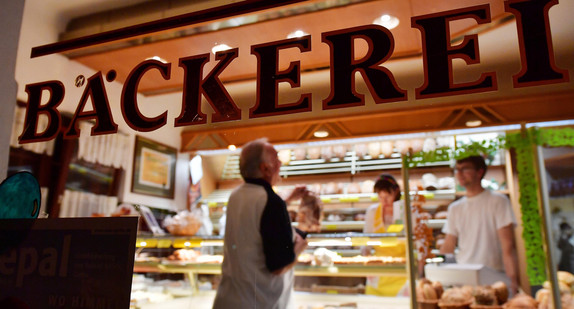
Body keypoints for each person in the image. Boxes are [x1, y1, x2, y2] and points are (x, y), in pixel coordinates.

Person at [212, 138, 308, 309]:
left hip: (228, 301)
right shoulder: (271, 202)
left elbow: (258, 215)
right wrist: (300, 247)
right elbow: (278, 266)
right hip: (260, 302)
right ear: (265, 168)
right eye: (276, 158)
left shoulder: (235, 195)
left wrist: (288, 199)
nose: (280, 163)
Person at [440, 155, 519, 294]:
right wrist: (440, 274)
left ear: (480, 172)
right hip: (464, 277)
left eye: (464, 169)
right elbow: (448, 244)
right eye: (457, 170)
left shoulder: (498, 201)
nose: (459, 174)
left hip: (494, 276)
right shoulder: (455, 208)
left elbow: (507, 246)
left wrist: (513, 280)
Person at [362, 174, 406, 296]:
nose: (384, 201)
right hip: (378, 271)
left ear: (396, 191)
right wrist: (366, 258)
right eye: (380, 197)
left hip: (402, 271)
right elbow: (366, 240)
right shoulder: (372, 211)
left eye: (387, 196)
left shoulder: (406, 211)